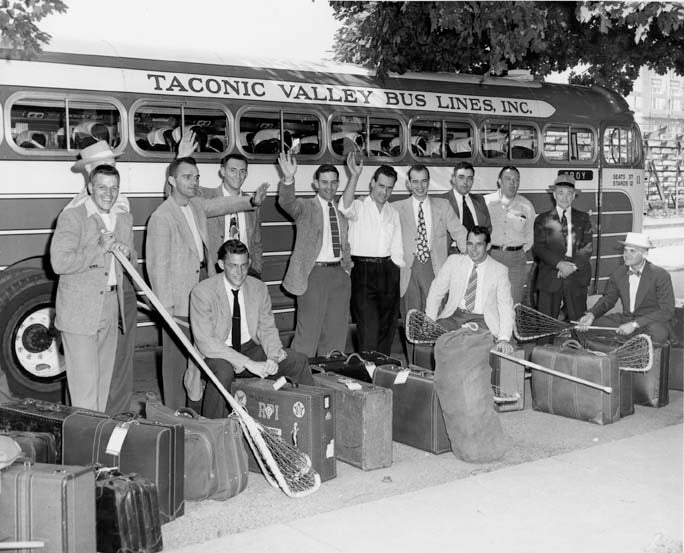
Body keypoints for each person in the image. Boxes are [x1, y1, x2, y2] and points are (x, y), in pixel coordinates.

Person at [146, 157, 266, 409]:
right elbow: (157, 267)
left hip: (203, 285)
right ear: (172, 181)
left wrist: (251, 201)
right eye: (187, 177)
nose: (194, 182)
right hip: (177, 298)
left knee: (199, 354)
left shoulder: (197, 205)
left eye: (197, 177)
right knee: (176, 359)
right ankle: (175, 412)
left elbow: (222, 204)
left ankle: (195, 405)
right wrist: (165, 307)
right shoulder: (162, 216)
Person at [190, 239, 314, 419]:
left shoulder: (258, 288)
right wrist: (249, 363)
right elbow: (206, 343)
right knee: (223, 372)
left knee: (298, 361)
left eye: (243, 266)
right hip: (217, 352)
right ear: (221, 265)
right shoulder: (203, 292)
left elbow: (267, 327)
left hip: (249, 346)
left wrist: (272, 356)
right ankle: (213, 428)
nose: (239, 272)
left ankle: (308, 419)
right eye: (233, 266)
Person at [51, 165, 135, 411]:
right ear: (90, 188)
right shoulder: (72, 216)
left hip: (110, 307)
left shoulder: (124, 218)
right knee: (85, 393)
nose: (108, 194)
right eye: (102, 187)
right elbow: (59, 263)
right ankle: (83, 446)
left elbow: (130, 260)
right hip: (79, 313)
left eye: (114, 188)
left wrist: (128, 254)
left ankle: (96, 443)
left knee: (102, 387)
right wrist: (98, 248)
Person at [277, 151, 352, 357]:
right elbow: (286, 203)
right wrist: (288, 178)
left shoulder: (341, 211)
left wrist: (347, 269)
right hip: (313, 275)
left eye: (334, 182)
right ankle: (300, 377)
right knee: (307, 334)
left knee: (336, 332)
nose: (330, 187)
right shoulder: (305, 207)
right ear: (316, 184)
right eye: (325, 182)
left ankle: (330, 375)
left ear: (338, 184)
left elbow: (345, 243)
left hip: (339, 274)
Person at [393, 164, 467, 360]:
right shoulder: (396, 208)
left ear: (428, 182)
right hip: (408, 272)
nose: (420, 186)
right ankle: (415, 365)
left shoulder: (442, 206)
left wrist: (473, 257)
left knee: (436, 320)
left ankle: (437, 364)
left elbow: (459, 232)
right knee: (412, 320)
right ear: (408, 184)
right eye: (415, 182)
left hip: (435, 270)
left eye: (424, 181)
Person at [339, 154, 405, 354]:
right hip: (363, 271)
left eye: (389, 187)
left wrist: (396, 274)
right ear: (372, 184)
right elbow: (344, 207)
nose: (385, 192)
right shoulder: (359, 206)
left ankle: (382, 373)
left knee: (387, 328)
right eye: (381, 186)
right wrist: (354, 176)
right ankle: (367, 375)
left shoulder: (393, 213)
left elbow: (397, 248)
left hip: (388, 271)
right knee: (368, 329)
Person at [425, 226, 514, 355]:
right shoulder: (453, 262)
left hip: (482, 320)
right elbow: (436, 291)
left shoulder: (499, 271)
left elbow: (506, 306)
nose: (473, 249)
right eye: (470, 244)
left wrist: (504, 338)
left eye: (479, 244)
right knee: (440, 339)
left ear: (488, 246)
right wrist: (430, 320)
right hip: (454, 316)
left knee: (466, 343)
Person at [577, 232, 675, 343]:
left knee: (658, 334)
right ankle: (606, 357)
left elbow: (667, 310)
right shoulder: (618, 273)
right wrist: (592, 315)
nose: (627, 255)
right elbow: (608, 299)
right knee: (584, 327)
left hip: (650, 322)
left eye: (632, 251)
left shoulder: (660, 275)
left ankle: (635, 352)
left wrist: (634, 324)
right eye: (625, 250)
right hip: (625, 319)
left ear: (644, 254)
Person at [533, 174, 593, 322]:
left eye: (569, 194)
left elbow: (587, 247)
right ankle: (544, 345)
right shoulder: (542, 219)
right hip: (551, 274)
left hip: (576, 275)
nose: (564, 197)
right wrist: (560, 264)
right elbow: (540, 248)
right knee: (546, 322)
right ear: (554, 195)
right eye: (560, 193)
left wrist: (571, 267)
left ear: (574, 196)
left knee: (579, 321)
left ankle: (580, 344)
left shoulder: (584, 218)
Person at [201, 153, 264, 278]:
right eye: (233, 171)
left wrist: (256, 269)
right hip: (215, 271)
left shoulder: (253, 202)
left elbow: (256, 241)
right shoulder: (206, 197)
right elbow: (176, 193)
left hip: (244, 270)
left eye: (242, 171)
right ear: (222, 172)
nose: (238, 176)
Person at [484, 166, 535, 305]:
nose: (512, 183)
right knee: (490, 302)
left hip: (516, 261)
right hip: (491, 256)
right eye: (508, 179)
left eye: (516, 180)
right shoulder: (486, 203)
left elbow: (530, 236)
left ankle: (511, 327)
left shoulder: (526, 206)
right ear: (499, 181)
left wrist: (518, 252)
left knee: (513, 302)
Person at [438, 161, 491, 254]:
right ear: (453, 179)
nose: (465, 182)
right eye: (461, 177)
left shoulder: (479, 200)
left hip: (477, 252)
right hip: (451, 252)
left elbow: (488, 227)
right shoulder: (442, 200)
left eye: (469, 178)